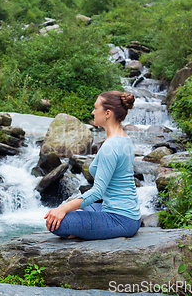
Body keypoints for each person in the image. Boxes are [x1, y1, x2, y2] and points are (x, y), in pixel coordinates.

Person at [44, 91, 141, 240]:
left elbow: (97, 192)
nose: (92, 112)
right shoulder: (124, 139)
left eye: (96, 108)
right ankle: (87, 228)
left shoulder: (110, 146)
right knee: (81, 207)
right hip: (128, 214)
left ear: (107, 113)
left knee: (56, 223)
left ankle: (85, 231)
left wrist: (62, 208)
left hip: (120, 219)